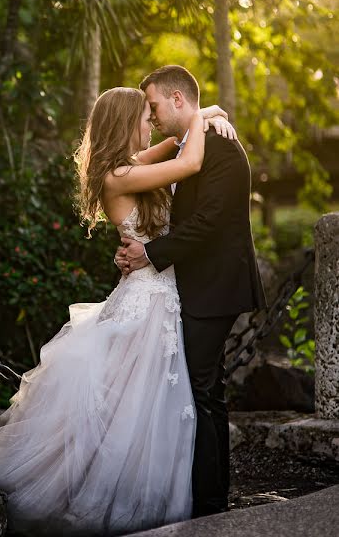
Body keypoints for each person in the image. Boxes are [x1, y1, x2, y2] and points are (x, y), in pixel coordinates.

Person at [0, 83, 237, 536]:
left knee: (152, 402)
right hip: (149, 298)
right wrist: (201, 120)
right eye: (144, 116)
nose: (150, 122)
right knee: (131, 404)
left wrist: (209, 114)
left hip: (160, 291)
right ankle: (110, 496)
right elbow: (189, 161)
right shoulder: (118, 176)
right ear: (125, 123)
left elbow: (179, 136)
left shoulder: (129, 165)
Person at [115, 65, 266, 517]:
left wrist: (150, 253)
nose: (153, 114)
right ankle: (202, 494)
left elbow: (209, 221)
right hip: (189, 285)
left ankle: (212, 503)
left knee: (203, 390)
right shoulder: (191, 144)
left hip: (216, 286)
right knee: (202, 388)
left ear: (178, 100)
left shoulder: (222, 147)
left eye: (156, 105)